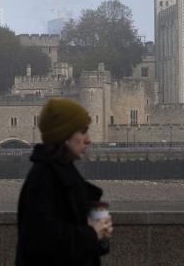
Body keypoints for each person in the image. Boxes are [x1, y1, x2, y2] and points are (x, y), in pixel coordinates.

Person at [15, 98, 113, 266]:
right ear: (65, 136)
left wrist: (101, 236)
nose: (88, 139)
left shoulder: (64, 172)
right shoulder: (43, 178)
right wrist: (92, 233)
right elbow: (41, 240)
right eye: (83, 132)